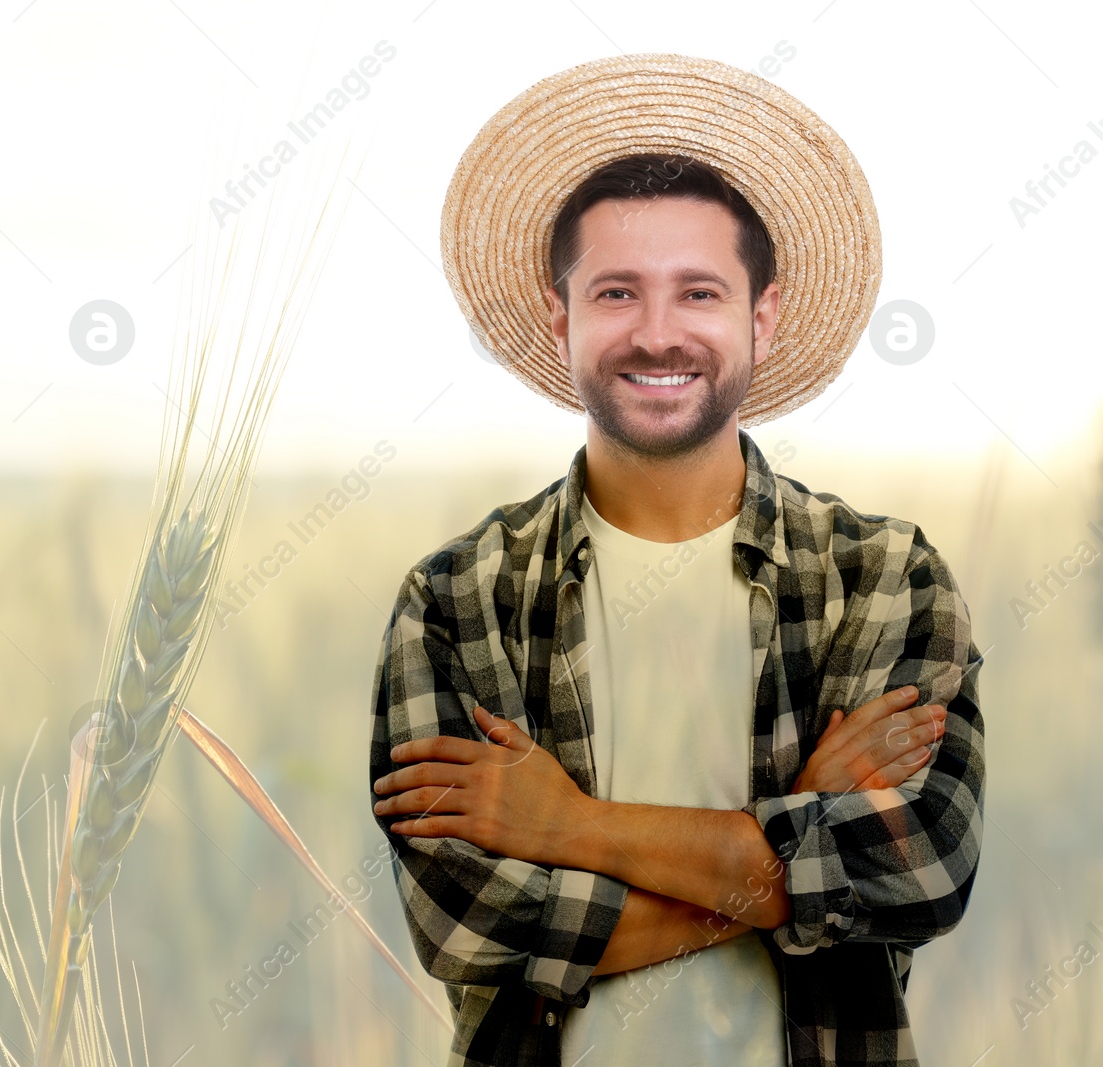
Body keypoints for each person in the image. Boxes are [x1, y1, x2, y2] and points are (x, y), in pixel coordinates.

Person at [367, 54, 985, 1067]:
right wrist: (789, 841)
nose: (657, 334)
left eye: (697, 291)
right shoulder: (453, 600)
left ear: (761, 316)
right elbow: (466, 927)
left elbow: (918, 874)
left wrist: (562, 825)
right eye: (617, 292)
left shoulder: (882, 577)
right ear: (561, 318)